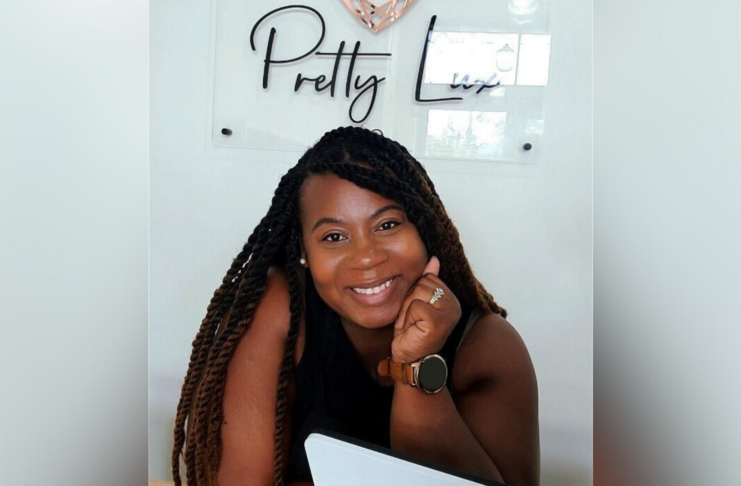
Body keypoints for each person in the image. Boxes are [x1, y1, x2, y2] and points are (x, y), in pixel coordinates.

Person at [171, 126, 539, 486]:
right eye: (334, 236)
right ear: (304, 252)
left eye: (387, 225)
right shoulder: (279, 308)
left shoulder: (490, 346)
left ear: (425, 230)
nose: (366, 257)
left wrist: (415, 366)